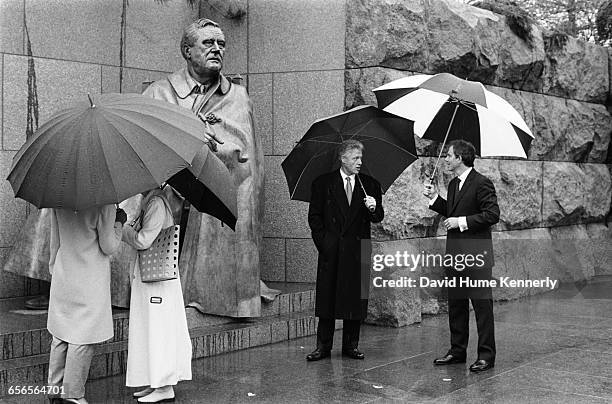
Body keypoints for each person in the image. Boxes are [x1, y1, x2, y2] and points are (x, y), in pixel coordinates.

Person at [143, 18, 271, 317]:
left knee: (236, 189)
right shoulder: (160, 91)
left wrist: (211, 148)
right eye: (208, 43)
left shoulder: (237, 96)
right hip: (166, 180)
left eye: (221, 44)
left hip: (214, 178)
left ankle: (217, 290)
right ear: (187, 51)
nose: (217, 49)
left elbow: (247, 154)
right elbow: (142, 141)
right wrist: (186, 136)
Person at [423, 140, 500, 372]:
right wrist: (435, 198)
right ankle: (457, 351)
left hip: (476, 257)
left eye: (449, 155)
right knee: (456, 306)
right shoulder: (455, 184)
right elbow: (453, 211)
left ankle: (486, 355)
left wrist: (461, 222)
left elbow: (492, 214)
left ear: (460, 158)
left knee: (481, 307)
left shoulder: (482, 183)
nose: (446, 159)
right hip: (455, 255)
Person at [306, 140, 384, 361]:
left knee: (355, 301)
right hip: (332, 250)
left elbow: (378, 218)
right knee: (328, 300)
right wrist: (325, 243)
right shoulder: (323, 184)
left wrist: (373, 208)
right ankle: (323, 347)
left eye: (361, 158)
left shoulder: (370, 184)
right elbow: (315, 217)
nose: (360, 162)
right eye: (355, 158)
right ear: (343, 158)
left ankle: (351, 345)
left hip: (358, 250)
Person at [47, 204, 125, 404]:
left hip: (64, 273)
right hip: (90, 279)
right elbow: (109, 246)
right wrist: (118, 223)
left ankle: (55, 391)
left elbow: (55, 241)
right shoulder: (103, 203)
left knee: (60, 334)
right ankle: (72, 395)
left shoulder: (58, 198)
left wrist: (53, 269)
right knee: (82, 337)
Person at [122, 186, 192, 403]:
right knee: (150, 329)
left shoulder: (155, 204)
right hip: (152, 279)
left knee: (158, 330)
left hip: (157, 281)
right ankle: (156, 382)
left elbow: (144, 240)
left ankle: (164, 386)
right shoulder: (152, 202)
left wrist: (123, 229)